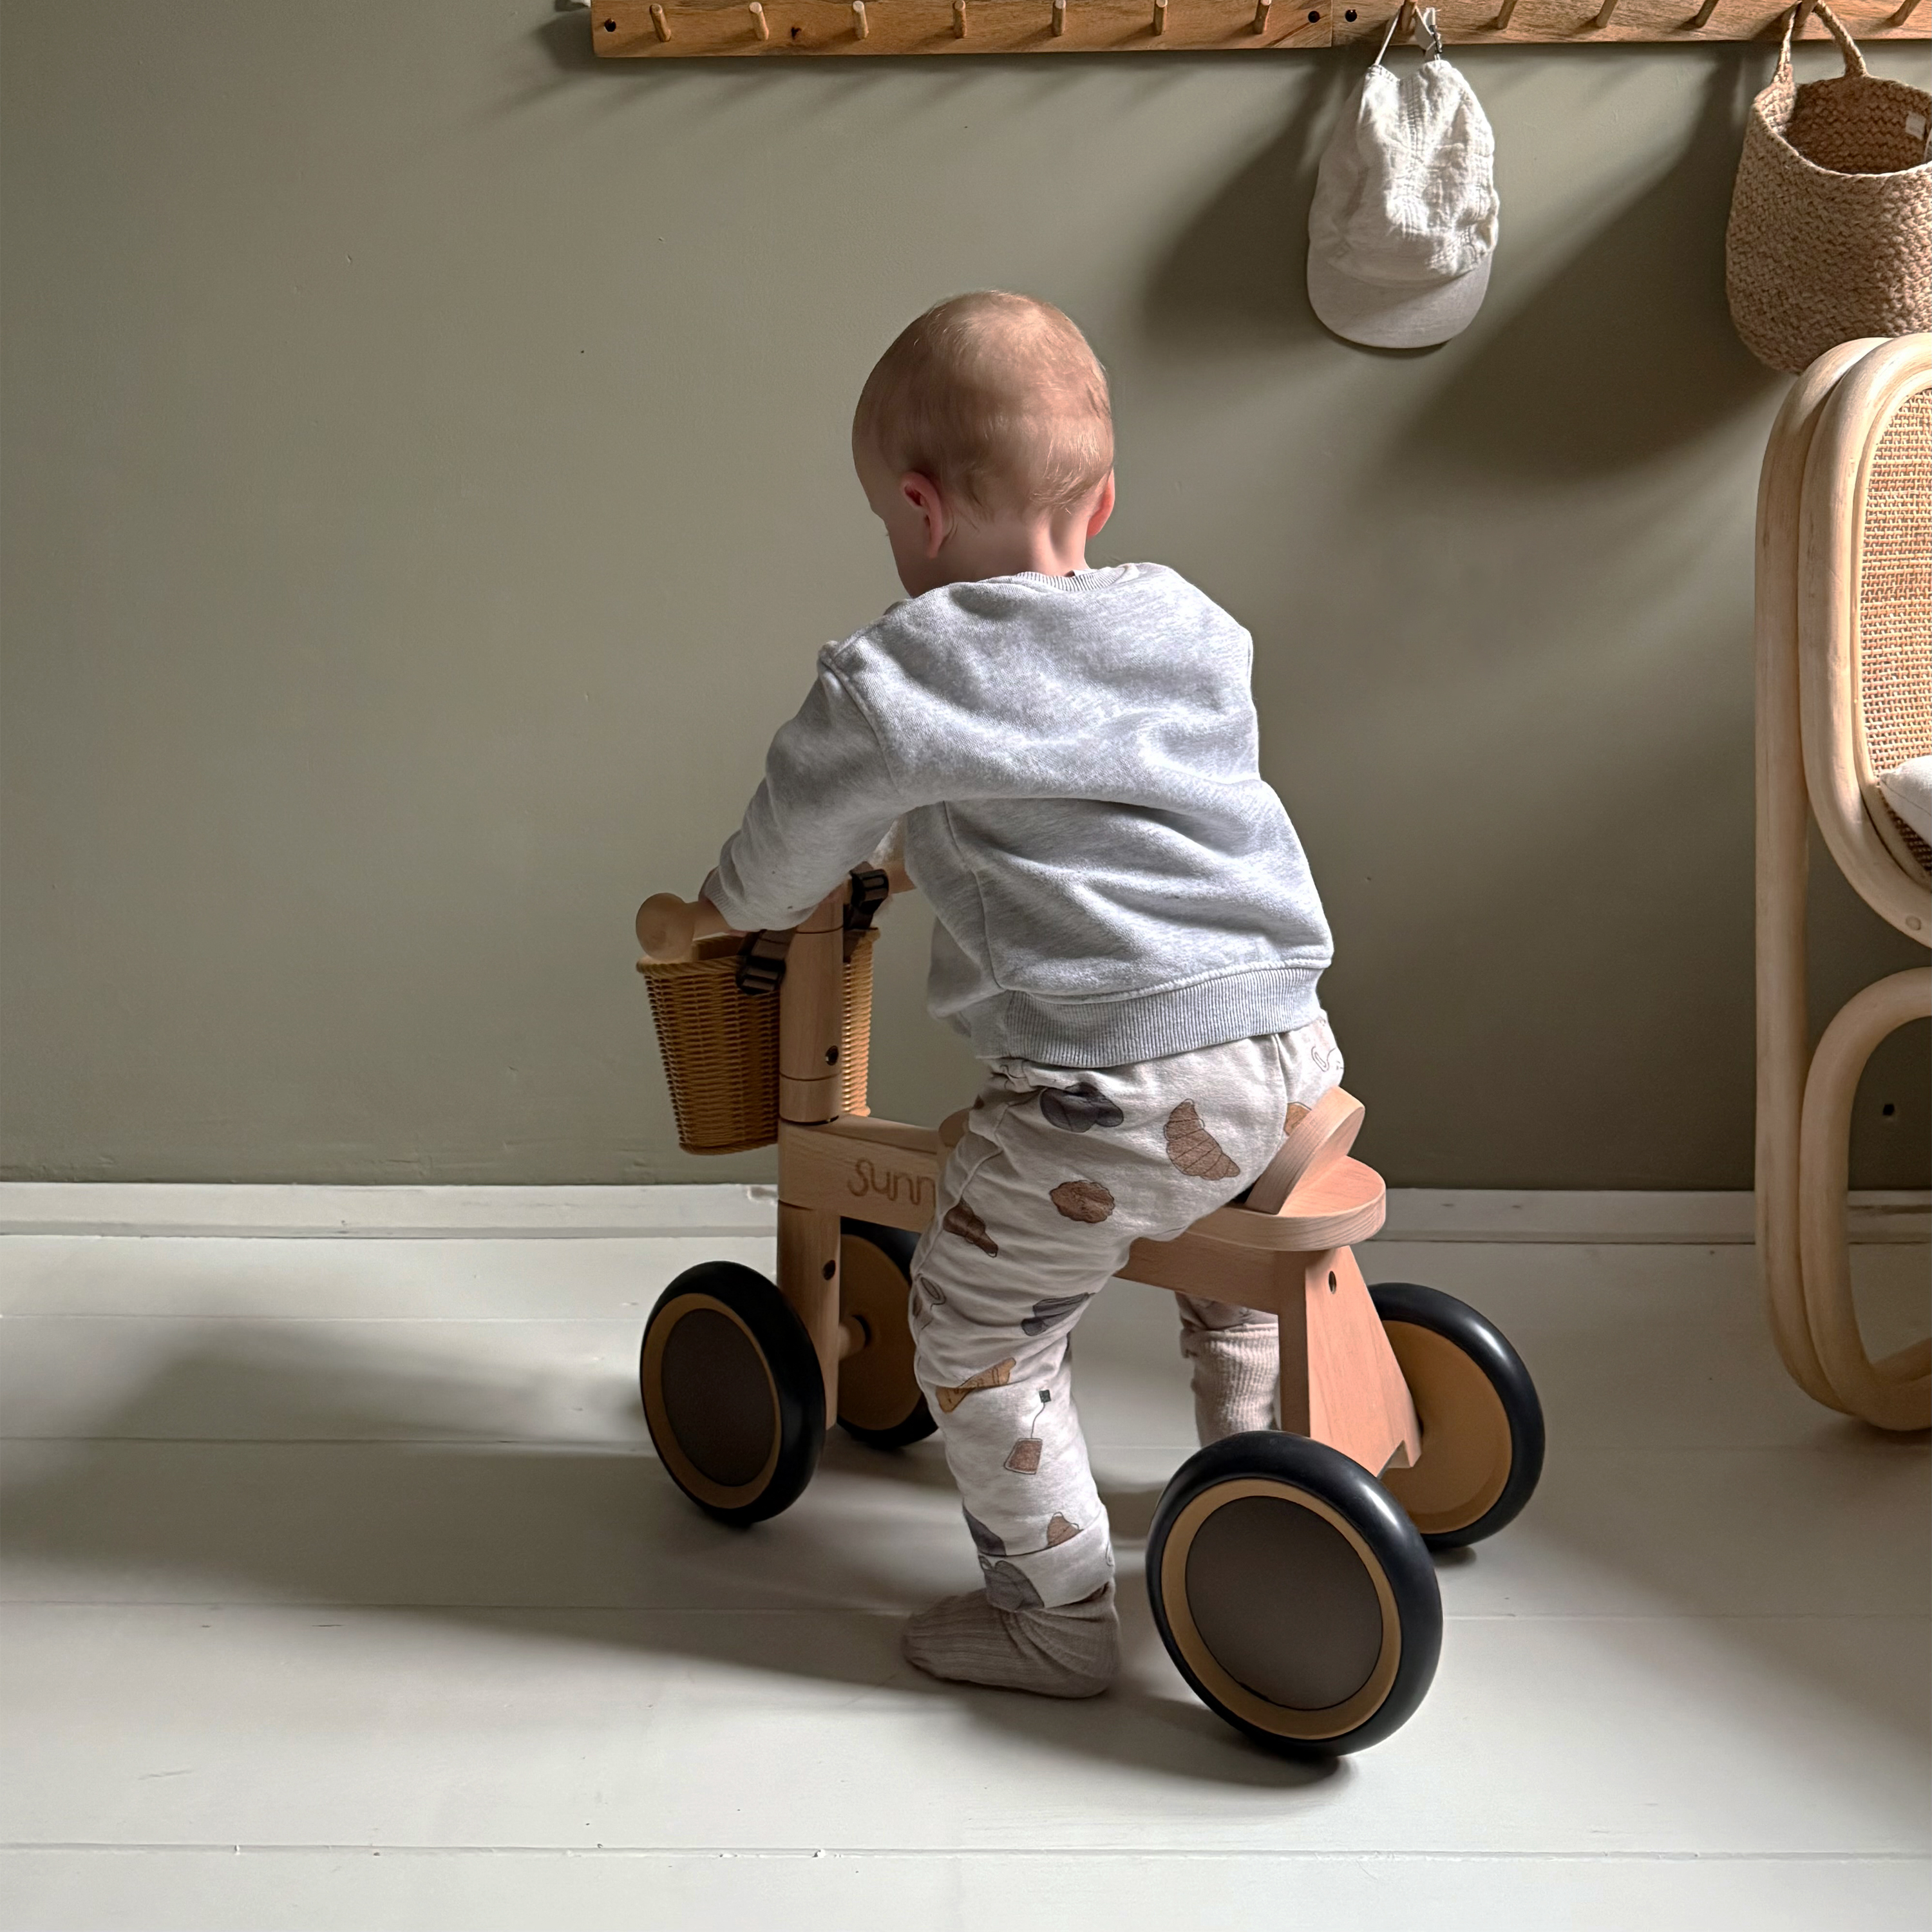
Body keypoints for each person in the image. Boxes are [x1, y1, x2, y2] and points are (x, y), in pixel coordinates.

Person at [701, 291, 1341, 1699]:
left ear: (920, 510)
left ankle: (1051, 1620)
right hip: (1289, 1044)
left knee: (978, 1324)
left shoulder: (906, 670)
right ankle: (1246, 1456)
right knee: (1221, 1243)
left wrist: (726, 909)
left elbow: (799, 829)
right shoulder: (1188, 625)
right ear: (1103, 497)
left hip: (1120, 1092)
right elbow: (1114, 810)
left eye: (887, 518)